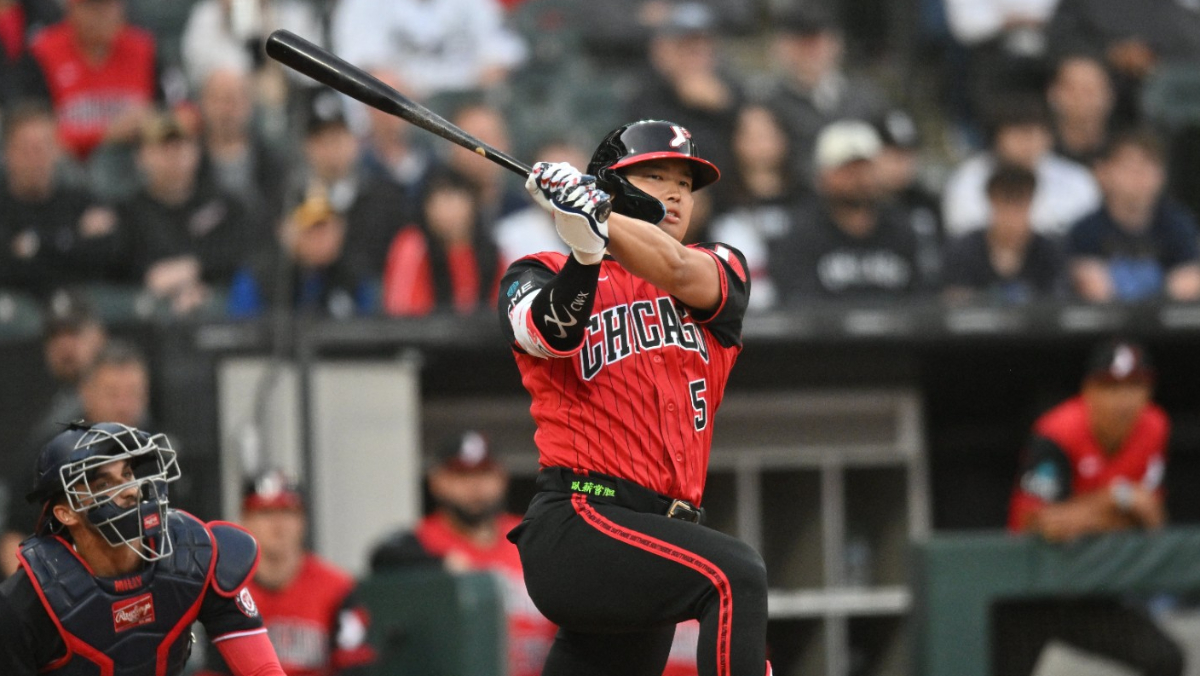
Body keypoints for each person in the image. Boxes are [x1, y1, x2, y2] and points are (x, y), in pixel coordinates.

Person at [498, 119, 769, 676]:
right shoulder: (537, 270)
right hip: (580, 520)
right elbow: (551, 334)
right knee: (734, 576)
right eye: (654, 177)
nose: (676, 193)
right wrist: (584, 252)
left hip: (657, 536)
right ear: (611, 184)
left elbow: (675, 267)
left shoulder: (721, 264)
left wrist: (598, 216)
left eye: (685, 183)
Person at [0, 421, 287, 676]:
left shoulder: (192, 554)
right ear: (66, 514)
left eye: (127, 474)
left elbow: (263, 670)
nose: (129, 490)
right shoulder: (27, 602)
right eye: (104, 484)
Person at [1001, 339, 1185, 676]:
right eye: (1111, 387)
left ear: (1149, 391)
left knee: (1166, 659)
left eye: (1135, 386)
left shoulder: (1154, 426)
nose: (1124, 399)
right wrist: (1117, 498)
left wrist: (1082, 515)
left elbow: (1152, 518)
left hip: (1091, 593)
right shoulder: (1058, 431)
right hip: (1031, 594)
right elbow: (1037, 523)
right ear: (1089, 390)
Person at [370, 431, 557, 676]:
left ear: (501, 477)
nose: (475, 486)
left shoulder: (530, 535)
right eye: (462, 475)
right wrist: (440, 565)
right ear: (437, 481)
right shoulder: (421, 542)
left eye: (484, 473)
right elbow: (381, 557)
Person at [197, 469, 375, 676]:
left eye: (288, 512)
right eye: (265, 513)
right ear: (245, 520)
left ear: (303, 521)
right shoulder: (226, 589)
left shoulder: (336, 587)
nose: (278, 525)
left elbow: (355, 666)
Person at [116, 109, 258, 314]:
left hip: (218, 304)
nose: (173, 156)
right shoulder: (128, 211)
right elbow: (125, 264)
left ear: (197, 152)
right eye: (163, 148)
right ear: (141, 157)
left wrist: (193, 268)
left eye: (181, 146)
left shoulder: (223, 205)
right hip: (149, 311)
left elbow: (244, 249)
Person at [774, 120, 924, 303]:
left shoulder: (902, 230)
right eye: (847, 170)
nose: (859, 179)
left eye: (866, 168)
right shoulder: (801, 235)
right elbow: (798, 304)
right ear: (823, 176)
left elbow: (921, 298)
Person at [14, 0, 160, 162]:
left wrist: (152, 122)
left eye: (109, 7)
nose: (102, 16)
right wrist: (106, 134)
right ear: (71, 9)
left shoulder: (143, 48)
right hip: (68, 166)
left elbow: (180, 113)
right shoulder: (43, 52)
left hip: (135, 163)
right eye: (92, 8)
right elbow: (32, 131)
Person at [0, 103, 122, 293]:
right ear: (8, 154)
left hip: (79, 297)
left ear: (57, 150)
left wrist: (36, 244)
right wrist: (75, 238)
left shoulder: (81, 200)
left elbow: (108, 257)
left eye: (44, 147)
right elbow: (9, 269)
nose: (36, 159)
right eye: (27, 149)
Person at [1066, 129, 1200, 303]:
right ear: (1103, 173)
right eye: (1130, 167)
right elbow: (1091, 287)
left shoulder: (1178, 225)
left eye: (1149, 166)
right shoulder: (1085, 230)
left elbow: (1188, 279)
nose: (1139, 176)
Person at [941, 97, 1101, 239]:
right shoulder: (968, 179)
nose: (1030, 142)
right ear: (997, 136)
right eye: (1021, 133)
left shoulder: (1076, 179)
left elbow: (1089, 237)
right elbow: (963, 236)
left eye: (1039, 133)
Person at [331, 0, 527, 100]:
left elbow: (503, 53)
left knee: (481, 123)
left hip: (465, 104)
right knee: (380, 94)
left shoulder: (471, 3)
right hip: (405, 106)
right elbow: (366, 69)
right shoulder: (365, 4)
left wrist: (469, 95)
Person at [227, 190, 378, 319]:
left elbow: (368, 329)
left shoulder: (354, 274)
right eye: (311, 229)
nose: (321, 238)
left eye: (327, 228)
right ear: (285, 233)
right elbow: (243, 330)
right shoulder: (259, 276)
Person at [381, 168, 502, 316]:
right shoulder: (414, 246)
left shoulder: (491, 254)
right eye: (438, 202)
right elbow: (403, 312)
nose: (446, 211)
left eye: (453, 200)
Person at [942, 164, 1065, 303]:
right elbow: (955, 300)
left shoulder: (1048, 253)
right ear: (991, 202)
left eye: (1019, 205)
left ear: (1031, 203)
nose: (1011, 215)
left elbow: (1056, 302)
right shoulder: (964, 250)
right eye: (1005, 204)